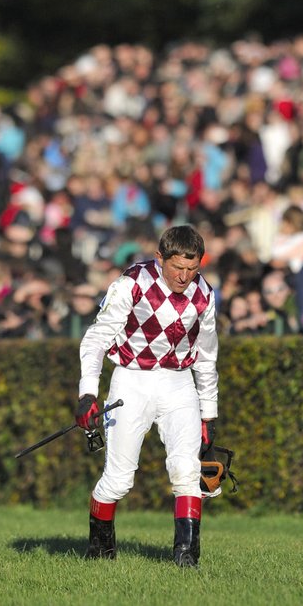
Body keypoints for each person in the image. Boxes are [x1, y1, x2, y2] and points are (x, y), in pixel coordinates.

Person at [76, 225, 218, 568]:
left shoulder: (205, 295)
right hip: (131, 382)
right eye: (177, 268)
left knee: (187, 470)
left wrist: (209, 415)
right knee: (119, 480)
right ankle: (100, 550)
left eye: (192, 269)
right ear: (159, 258)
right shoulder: (130, 284)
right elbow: (95, 340)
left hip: (179, 383)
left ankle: (186, 558)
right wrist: (87, 394)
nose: (185, 277)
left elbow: (208, 356)